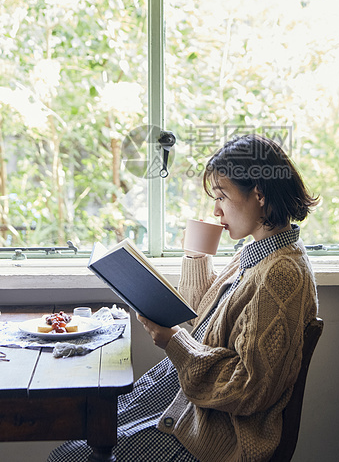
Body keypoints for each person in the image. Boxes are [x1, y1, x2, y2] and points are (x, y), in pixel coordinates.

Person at [48, 133, 319, 462]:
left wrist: (175, 342)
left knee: (69, 456)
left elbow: (250, 386)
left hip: (216, 437)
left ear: (258, 193)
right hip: (191, 411)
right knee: (76, 443)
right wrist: (195, 253)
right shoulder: (258, 254)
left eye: (222, 196)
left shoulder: (281, 275)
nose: (216, 209)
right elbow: (199, 319)